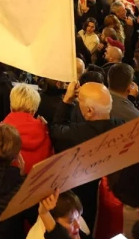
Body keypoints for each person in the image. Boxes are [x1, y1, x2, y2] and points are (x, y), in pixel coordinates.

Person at [48, 81, 122, 229]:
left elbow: (56, 129)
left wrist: (67, 101)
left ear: (89, 111)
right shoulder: (124, 128)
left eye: (79, 101)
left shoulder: (76, 134)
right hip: (115, 199)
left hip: (83, 199)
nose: (77, 103)